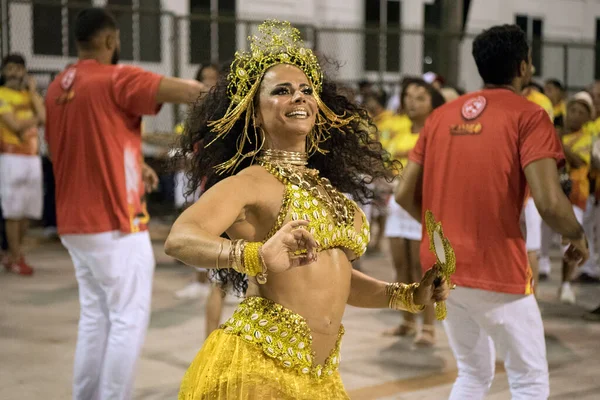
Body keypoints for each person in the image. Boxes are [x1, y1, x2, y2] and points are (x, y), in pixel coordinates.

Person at [165, 20, 450, 399]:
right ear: (254, 113)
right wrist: (252, 255)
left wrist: (407, 295)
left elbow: (337, 278)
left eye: (306, 90)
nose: (299, 98)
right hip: (260, 369)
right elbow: (180, 239)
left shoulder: (323, 187)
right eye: (282, 91)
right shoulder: (250, 181)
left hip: (320, 378)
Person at [396, 24, 588, 399]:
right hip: (496, 267)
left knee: (471, 374)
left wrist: (445, 232)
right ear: (523, 67)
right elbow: (549, 201)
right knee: (529, 381)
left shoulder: (440, 117)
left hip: (442, 265)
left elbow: (404, 194)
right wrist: (576, 234)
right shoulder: (530, 116)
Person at [44, 8, 204, 400]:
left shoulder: (55, 87)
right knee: (127, 319)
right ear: (110, 41)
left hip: (74, 225)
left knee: (96, 318)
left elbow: (89, 144)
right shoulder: (116, 78)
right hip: (113, 223)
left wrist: (135, 167)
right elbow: (187, 91)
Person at [383, 79, 445, 346]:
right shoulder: (398, 130)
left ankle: (428, 326)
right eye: (408, 96)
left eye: (420, 97)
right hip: (398, 205)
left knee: (424, 270)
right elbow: (389, 165)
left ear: (433, 102)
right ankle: (407, 321)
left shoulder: (438, 134)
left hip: (422, 206)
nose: (411, 101)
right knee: (401, 267)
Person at [0, 53, 45, 275]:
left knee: (28, 210)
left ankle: (13, 254)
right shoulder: (1, 94)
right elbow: (15, 125)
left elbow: (45, 117)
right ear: (3, 72)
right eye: (10, 68)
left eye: (19, 68)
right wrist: (35, 118)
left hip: (32, 157)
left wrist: (34, 91)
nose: (15, 72)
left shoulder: (30, 96)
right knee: (13, 211)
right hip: (11, 157)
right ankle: (16, 256)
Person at [559, 91, 595, 304]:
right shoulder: (557, 133)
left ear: (587, 118)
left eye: (581, 112)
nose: (575, 115)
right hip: (550, 194)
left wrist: (558, 143)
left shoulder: (587, 138)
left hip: (576, 196)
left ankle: (565, 284)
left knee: (570, 241)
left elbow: (580, 162)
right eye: (572, 110)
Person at [521, 82, 554, 293]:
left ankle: (531, 296)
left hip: (530, 189)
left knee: (531, 245)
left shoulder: (540, 102)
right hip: (506, 188)